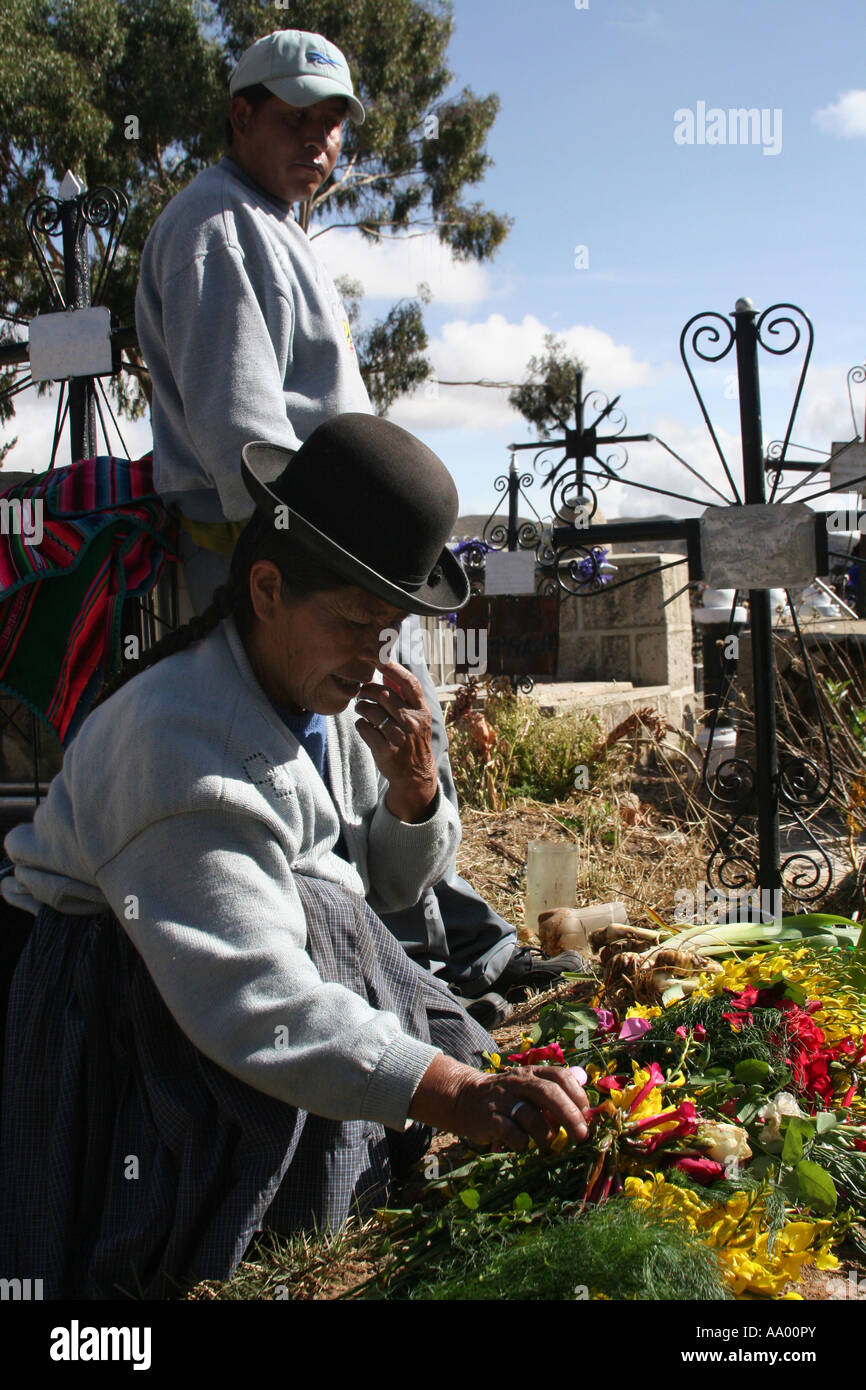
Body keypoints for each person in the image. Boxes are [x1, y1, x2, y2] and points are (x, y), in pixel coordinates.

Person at [0, 415, 590, 1299]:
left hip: (267, 997)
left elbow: (375, 895)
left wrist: (413, 794)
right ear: (267, 587)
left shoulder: (318, 700)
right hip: (144, 1025)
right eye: (356, 623)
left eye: (387, 631)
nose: (373, 658)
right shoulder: (177, 746)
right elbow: (251, 998)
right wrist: (453, 1093)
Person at [134, 28, 584, 1022]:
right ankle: (401, 978)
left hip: (336, 548)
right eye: (292, 118)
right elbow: (241, 432)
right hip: (285, 558)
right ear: (240, 115)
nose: (317, 141)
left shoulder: (267, 222)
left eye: (332, 122)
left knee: (396, 749)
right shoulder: (218, 225)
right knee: (324, 778)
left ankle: (459, 947)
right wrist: (325, 585)